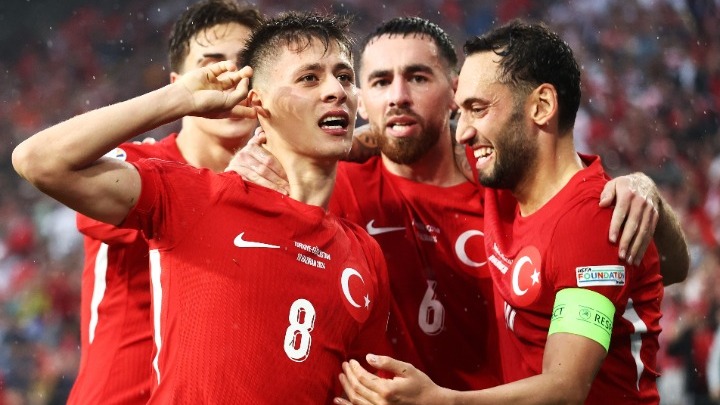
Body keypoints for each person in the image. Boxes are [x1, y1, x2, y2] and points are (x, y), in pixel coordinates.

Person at [229, 16, 688, 394]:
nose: (398, 96)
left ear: (452, 93)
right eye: (380, 82)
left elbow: (657, 267)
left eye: (417, 77)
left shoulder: (502, 184)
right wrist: (269, 149)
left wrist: (646, 193)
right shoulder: (332, 185)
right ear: (362, 99)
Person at [13, 11, 390, 403]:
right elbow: (39, 161)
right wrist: (181, 100)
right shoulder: (183, 189)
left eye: (345, 77)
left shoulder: (360, 251)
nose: (232, 76)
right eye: (309, 77)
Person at [68, 2, 263, 403]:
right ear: (179, 84)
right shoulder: (137, 167)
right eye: (212, 65)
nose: (232, 78)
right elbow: (48, 164)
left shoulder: (276, 190)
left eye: (247, 65)